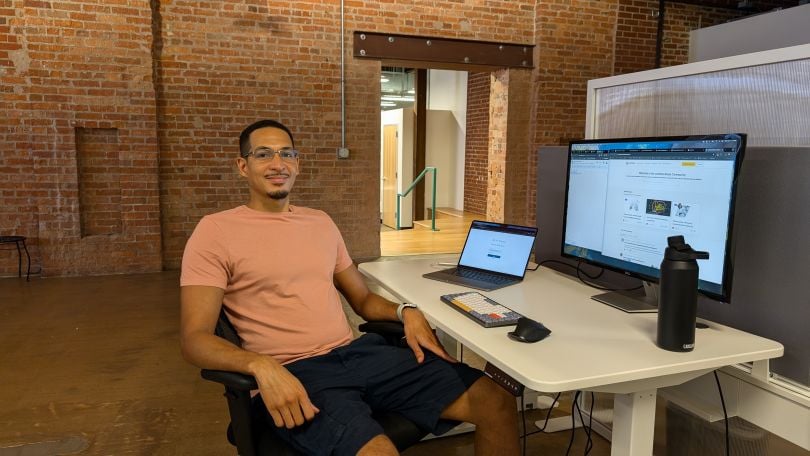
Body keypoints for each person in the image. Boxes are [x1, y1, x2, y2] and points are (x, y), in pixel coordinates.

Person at [180, 119, 520, 455]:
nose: (278, 163)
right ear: (243, 166)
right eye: (264, 154)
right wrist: (261, 365)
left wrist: (405, 311)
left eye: (287, 153)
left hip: (358, 355)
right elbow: (195, 339)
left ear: (297, 163)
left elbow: (362, 298)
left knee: (497, 402)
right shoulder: (215, 232)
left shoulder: (320, 222)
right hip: (297, 372)